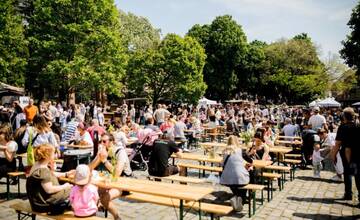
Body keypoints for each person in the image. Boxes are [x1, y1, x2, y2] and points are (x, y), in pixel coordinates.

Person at [88, 133, 131, 220]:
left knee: (103, 198)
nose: (102, 144)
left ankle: (117, 217)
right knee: (89, 191)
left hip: (123, 182)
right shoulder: (103, 151)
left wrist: (104, 160)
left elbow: (117, 174)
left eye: (104, 141)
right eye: (100, 141)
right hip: (108, 180)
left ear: (111, 142)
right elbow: (89, 168)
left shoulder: (120, 152)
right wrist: (98, 157)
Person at [26, 144, 72, 213]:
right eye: (54, 153)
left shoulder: (38, 164)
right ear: (48, 156)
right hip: (43, 204)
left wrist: (66, 174)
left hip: (36, 202)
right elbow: (49, 190)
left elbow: (51, 174)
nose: (55, 155)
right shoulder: (43, 170)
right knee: (73, 189)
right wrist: (65, 186)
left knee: (70, 189)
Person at [331, 107, 359, 201]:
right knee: (358, 174)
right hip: (357, 152)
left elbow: (338, 143)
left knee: (347, 173)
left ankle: (348, 194)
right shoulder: (358, 124)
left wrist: (333, 155)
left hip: (347, 153)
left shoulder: (343, 127)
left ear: (344, 117)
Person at [220, 135, 250, 212]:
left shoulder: (225, 151)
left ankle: (237, 196)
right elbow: (250, 161)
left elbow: (222, 164)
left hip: (227, 179)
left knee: (235, 184)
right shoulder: (240, 150)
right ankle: (241, 197)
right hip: (240, 178)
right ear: (236, 141)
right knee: (248, 176)